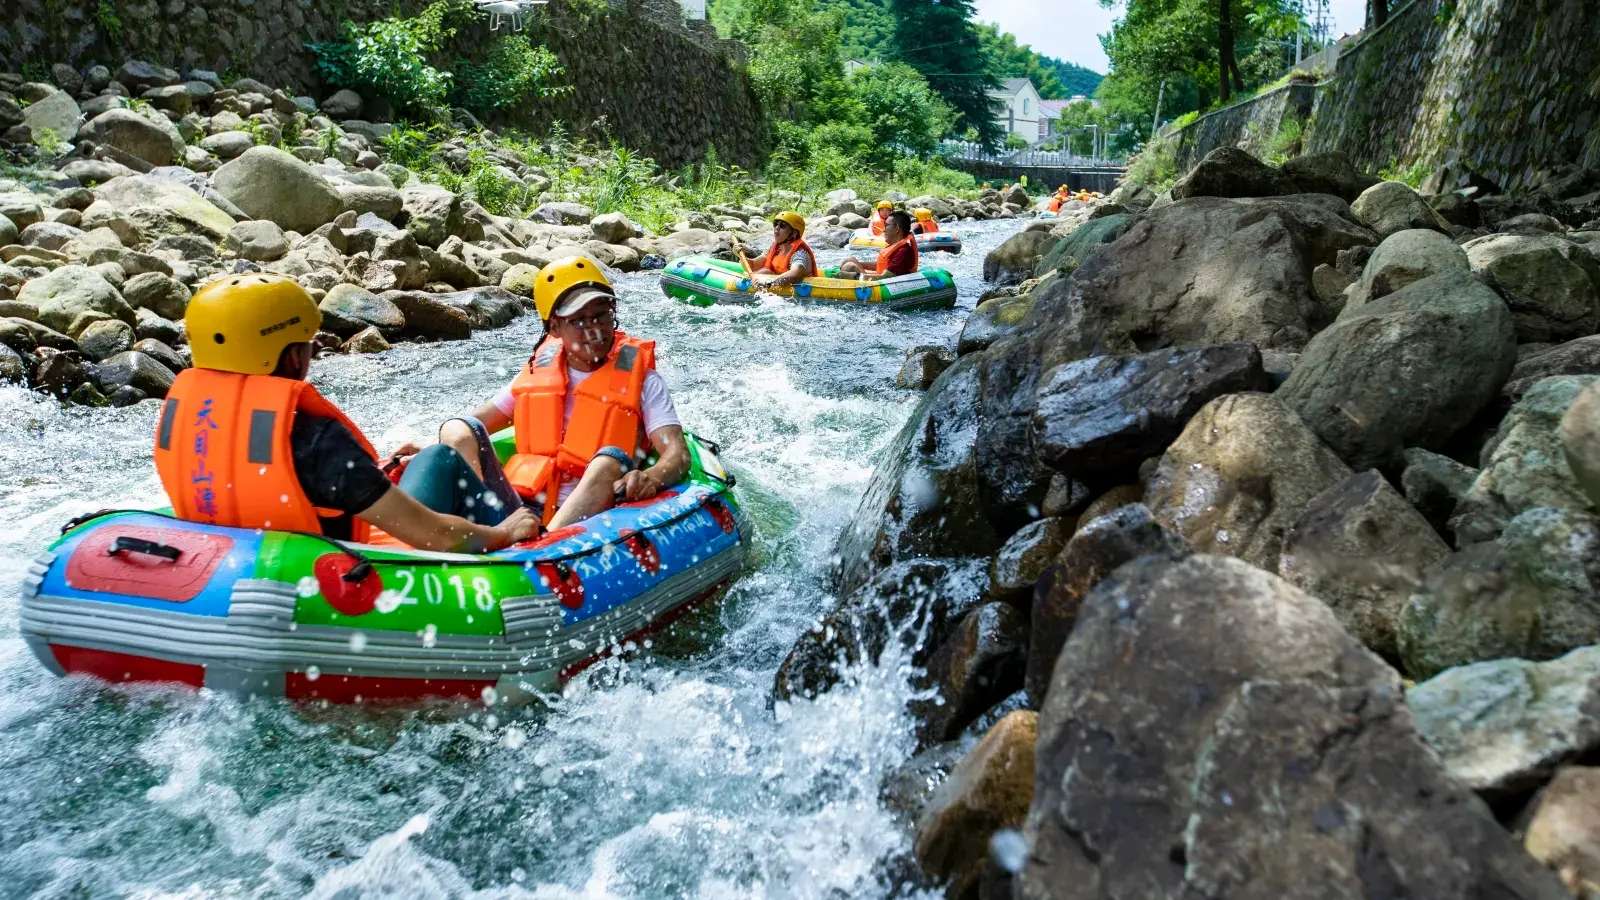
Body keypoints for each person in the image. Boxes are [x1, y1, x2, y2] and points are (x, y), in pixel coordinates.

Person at [153, 274, 537, 551]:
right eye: (307, 345)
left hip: (233, 572)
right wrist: (503, 533)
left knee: (428, 459)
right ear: (289, 356)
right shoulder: (318, 441)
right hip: (337, 585)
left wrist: (373, 476)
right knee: (440, 459)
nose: (312, 354)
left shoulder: (184, 420)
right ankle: (531, 535)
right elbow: (435, 536)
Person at [392, 256, 688, 534]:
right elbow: (476, 425)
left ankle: (546, 545)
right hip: (516, 512)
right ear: (554, 327)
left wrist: (651, 477)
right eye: (579, 321)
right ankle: (431, 532)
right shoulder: (539, 371)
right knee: (456, 427)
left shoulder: (645, 382)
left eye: (602, 316)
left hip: (584, 523)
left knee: (608, 461)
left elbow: (677, 455)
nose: (595, 329)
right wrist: (428, 449)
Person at [837, 210, 918, 280]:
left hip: (884, 284)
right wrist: (859, 263)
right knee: (850, 261)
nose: (883, 230)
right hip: (881, 277)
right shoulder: (896, 246)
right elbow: (883, 266)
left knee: (850, 267)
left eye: (886, 226)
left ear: (897, 229)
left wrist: (854, 275)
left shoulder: (903, 251)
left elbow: (885, 277)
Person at [750, 211, 818, 289]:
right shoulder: (777, 249)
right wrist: (741, 253)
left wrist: (769, 283)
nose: (777, 228)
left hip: (803, 294)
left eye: (782, 226)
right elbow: (753, 265)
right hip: (776, 283)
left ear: (794, 233)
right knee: (765, 272)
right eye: (775, 224)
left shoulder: (800, 253)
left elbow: (795, 273)